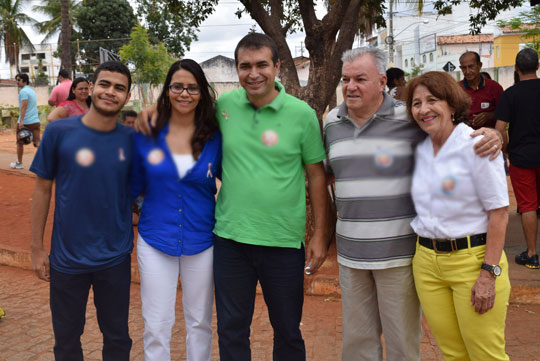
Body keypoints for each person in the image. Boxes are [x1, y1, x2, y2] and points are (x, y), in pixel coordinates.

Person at [137, 33, 329, 361]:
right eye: (245, 66)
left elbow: (316, 176)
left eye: (261, 65)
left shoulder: (302, 115)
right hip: (230, 241)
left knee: (287, 329)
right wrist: (154, 107)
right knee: (232, 329)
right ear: (237, 70)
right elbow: (186, 108)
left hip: (283, 242)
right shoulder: (225, 107)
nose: (253, 73)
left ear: (277, 66)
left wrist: (321, 235)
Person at [323, 47, 504, 361]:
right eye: (346, 79)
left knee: (407, 346)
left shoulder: (412, 122)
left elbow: (497, 208)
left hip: (406, 255)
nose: (350, 86)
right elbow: (325, 176)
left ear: (382, 82)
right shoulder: (331, 123)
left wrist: (495, 135)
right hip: (364, 255)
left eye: (360, 79)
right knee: (361, 344)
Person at [29, 61, 134, 361]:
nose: (110, 92)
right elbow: (42, 189)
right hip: (66, 259)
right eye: (104, 84)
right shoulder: (58, 132)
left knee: (117, 339)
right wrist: (37, 249)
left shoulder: (132, 139)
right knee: (66, 341)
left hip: (114, 258)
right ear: (90, 89)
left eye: (119, 87)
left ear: (127, 96)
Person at [406, 71, 510, 360]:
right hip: (427, 264)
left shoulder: (477, 144)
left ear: (452, 104)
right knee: (452, 354)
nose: (423, 109)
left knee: (486, 354)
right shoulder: (419, 148)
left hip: (473, 262)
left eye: (432, 100)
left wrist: (489, 274)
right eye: (416, 103)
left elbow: (499, 214)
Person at [131, 59, 221, 361]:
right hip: (156, 239)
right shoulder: (147, 133)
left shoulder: (215, 137)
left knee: (200, 322)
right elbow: (130, 185)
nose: (185, 93)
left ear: (202, 92)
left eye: (192, 87)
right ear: (167, 90)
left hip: (202, 240)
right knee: (156, 324)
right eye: (177, 86)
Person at [495, 48, 540, 269]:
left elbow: (500, 128)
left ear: (516, 68)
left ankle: (532, 254)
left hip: (522, 158)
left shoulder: (510, 95)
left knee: (528, 205)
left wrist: (505, 149)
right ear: (538, 66)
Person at [458, 51, 503, 129]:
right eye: (464, 68)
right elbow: (450, 115)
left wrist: (489, 116)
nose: (468, 71)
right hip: (464, 138)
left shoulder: (494, 87)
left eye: (471, 66)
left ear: (480, 65)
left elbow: (504, 113)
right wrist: (463, 120)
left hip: (489, 137)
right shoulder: (457, 88)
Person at [11, 73, 40, 169]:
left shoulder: (23, 92)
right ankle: (47, 162)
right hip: (35, 121)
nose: (17, 82)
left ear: (25, 81)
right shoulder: (32, 91)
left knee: (20, 143)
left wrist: (21, 121)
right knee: (37, 143)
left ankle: (19, 163)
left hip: (26, 122)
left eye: (19, 80)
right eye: (17, 80)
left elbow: (24, 106)